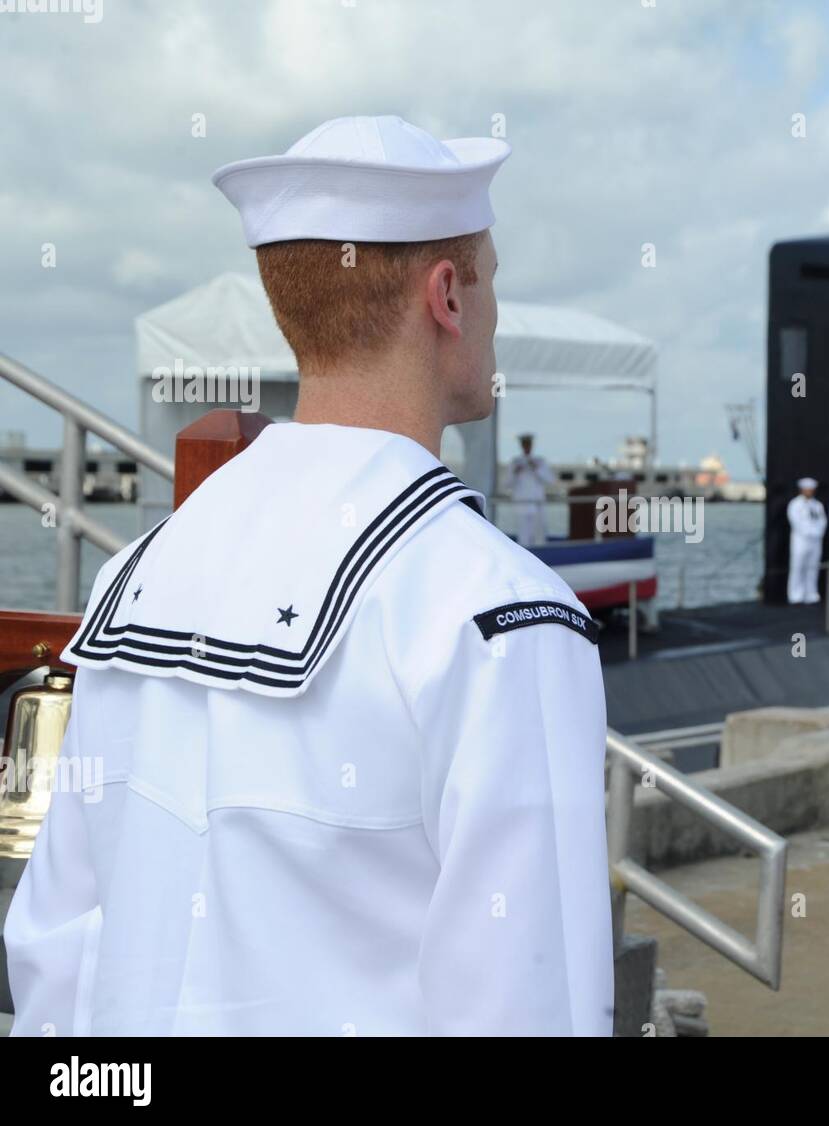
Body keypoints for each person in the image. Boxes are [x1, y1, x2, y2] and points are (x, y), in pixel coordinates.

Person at [4, 116, 614, 1036]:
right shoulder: (495, 615)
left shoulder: (132, 577)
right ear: (446, 297)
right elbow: (530, 1000)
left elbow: (54, 952)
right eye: (491, 283)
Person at [509, 432, 555, 547]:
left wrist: (536, 469)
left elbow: (550, 480)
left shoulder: (540, 461)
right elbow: (507, 483)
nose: (526, 447)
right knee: (523, 535)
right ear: (521, 445)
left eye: (528, 444)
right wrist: (515, 472)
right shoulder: (515, 462)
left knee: (539, 535)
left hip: (537, 503)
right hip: (522, 504)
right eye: (524, 444)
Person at [786, 476, 826, 604]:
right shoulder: (795, 504)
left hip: (815, 540)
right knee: (798, 567)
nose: (809, 491)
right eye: (807, 489)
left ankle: (811, 593)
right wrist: (809, 532)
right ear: (802, 490)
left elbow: (822, 521)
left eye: (811, 489)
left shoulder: (817, 505)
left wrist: (817, 533)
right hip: (801, 540)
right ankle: (795, 594)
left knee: (813, 567)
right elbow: (796, 522)